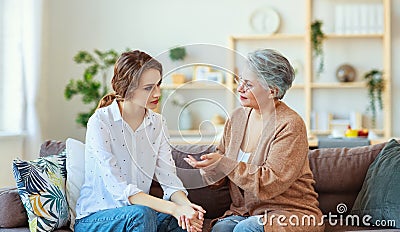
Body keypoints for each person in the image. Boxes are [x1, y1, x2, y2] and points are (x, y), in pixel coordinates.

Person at [185, 49, 324, 232]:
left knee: (246, 229)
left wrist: (225, 163)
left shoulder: (290, 124)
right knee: (222, 229)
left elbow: (270, 182)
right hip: (244, 213)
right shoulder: (237, 118)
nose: (240, 88)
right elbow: (221, 171)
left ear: (272, 91)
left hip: (288, 213)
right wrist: (210, 169)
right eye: (240, 80)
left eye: (248, 84)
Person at [75, 50, 205, 232]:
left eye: (158, 84)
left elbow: (169, 180)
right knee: (143, 214)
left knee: (181, 222)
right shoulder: (100, 121)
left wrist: (186, 208)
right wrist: (174, 209)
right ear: (127, 87)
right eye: (148, 88)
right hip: (96, 218)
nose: (158, 93)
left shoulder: (158, 123)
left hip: (138, 215)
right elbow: (118, 189)